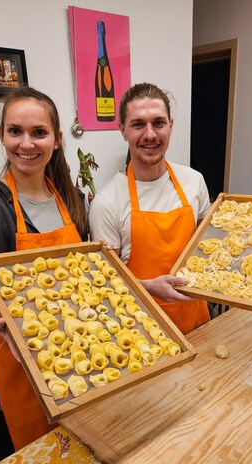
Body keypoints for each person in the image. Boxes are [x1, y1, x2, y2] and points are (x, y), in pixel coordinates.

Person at [0, 86, 88, 451]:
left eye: (39, 132)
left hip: (82, 350)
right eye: (15, 131)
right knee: (46, 460)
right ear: (2, 136)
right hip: (23, 361)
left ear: (57, 140)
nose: (26, 143)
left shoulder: (71, 201)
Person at [89, 82, 211, 334]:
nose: (150, 134)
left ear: (171, 126)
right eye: (138, 124)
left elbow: (208, 246)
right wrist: (147, 287)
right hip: (139, 332)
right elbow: (105, 284)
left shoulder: (194, 181)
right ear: (122, 130)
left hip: (196, 321)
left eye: (158, 123)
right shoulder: (107, 201)